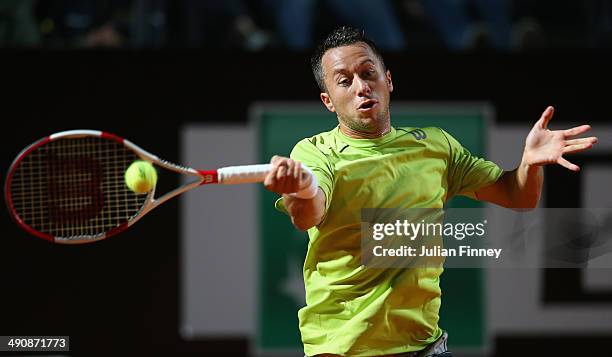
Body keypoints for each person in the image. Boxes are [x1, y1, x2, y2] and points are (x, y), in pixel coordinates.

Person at [263, 26, 597, 357]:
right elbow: (309, 215)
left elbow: (518, 196)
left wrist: (530, 164)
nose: (362, 87)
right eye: (344, 81)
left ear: (388, 80)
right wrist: (300, 190)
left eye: (368, 73)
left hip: (425, 347)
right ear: (329, 101)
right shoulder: (314, 152)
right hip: (342, 348)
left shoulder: (436, 145)